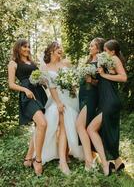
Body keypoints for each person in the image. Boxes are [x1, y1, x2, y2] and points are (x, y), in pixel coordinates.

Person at [40, 41, 84, 175]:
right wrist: (58, 102)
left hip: (71, 98)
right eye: (57, 48)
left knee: (68, 126)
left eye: (60, 47)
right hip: (57, 99)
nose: (60, 49)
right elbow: (51, 87)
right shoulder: (45, 67)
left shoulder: (66, 64)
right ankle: (62, 162)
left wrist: (73, 86)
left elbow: (75, 79)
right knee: (62, 125)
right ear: (51, 51)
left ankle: (64, 155)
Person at [8, 39, 48, 176]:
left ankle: (28, 158)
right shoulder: (13, 63)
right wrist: (25, 90)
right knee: (42, 124)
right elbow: (11, 84)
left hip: (39, 93)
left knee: (39, 126)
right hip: (28, 95)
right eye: (24, 46)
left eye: (28, 47)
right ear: (18, 48)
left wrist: (44, 81)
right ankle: (38, 160)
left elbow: (40, 78)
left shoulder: (32, 63)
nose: (27, 49)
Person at [87, 39, 127, 176]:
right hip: (105, 99)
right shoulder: (107, 60)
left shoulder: (114, 58)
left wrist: (104, 74)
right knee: (107, 130)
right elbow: (103, 83)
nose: (103, 52)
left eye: (105, 50)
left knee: (91, 129)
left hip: (110, 100)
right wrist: (93, 81)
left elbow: (123, 78)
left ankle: (106, 163)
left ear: (112, 51)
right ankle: (117, 162)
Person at [76, 37, 105, 171]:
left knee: (79, 125)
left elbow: (102, 82)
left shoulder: (101, 61)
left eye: (92, 46)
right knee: (83, 126)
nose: (90, 47)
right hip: (82, 95)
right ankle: (91, 158)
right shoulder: (89, 60)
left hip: (91, 97)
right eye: (90, 45)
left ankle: (89, 161)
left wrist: (91, 81)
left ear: (98, 47)